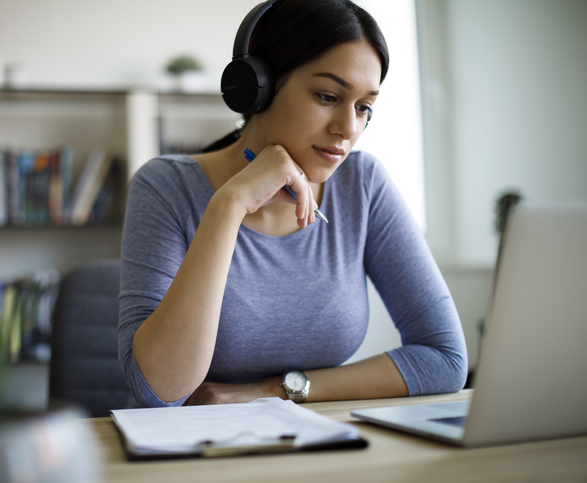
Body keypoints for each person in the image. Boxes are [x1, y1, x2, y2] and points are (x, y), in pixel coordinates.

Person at [118, 0, 468, 408]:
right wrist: (228, 206)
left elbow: (445, 359)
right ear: (257, 88)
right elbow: (158, 389)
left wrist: (275, 390)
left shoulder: (363, 185)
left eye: (364, 107)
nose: (348, 128)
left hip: (320, 444)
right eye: (327, 95)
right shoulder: (166, 186)